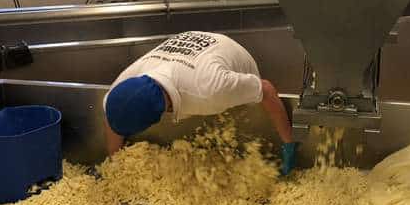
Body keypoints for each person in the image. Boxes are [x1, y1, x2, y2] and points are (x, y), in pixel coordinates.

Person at [103, 31, 298, 175]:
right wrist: (116, 161)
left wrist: (289, 143)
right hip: (191, 47)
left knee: (239, 104)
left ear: (159, 117)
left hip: (228, 52)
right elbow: (112, 116)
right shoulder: (123, 85)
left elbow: (267, 90)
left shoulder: (211, 89)